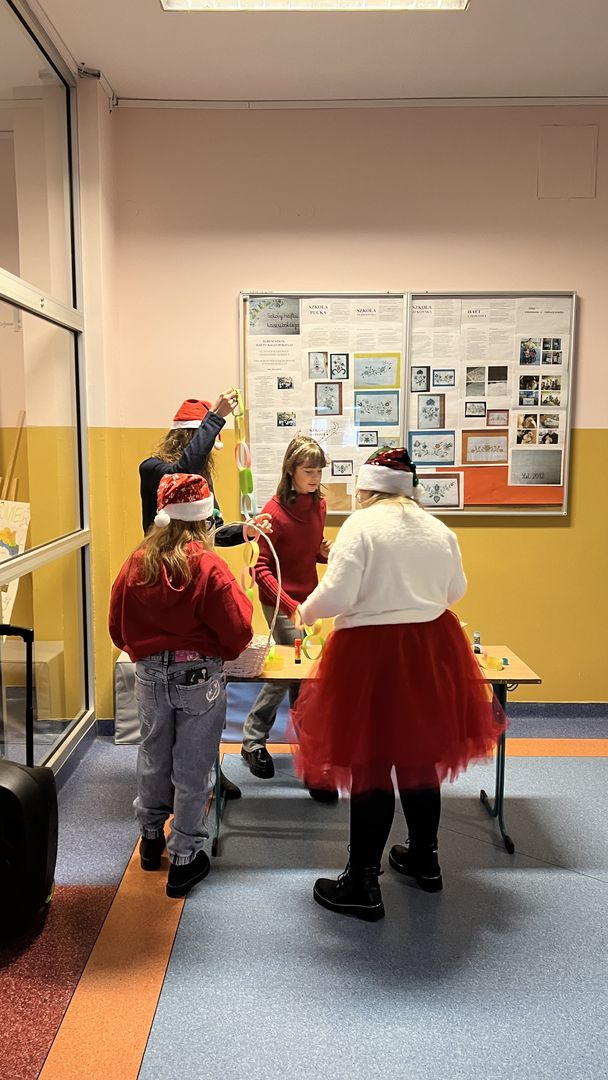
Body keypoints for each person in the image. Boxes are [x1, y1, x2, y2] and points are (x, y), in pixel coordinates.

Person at [291, 448, 506, 921]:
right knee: (418, 756)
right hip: (429, 650)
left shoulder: (361, 527)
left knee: (370, 762)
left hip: (370, 654)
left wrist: (303, 611)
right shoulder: (437, 529)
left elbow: (339, 593)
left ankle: (362, 882)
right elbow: (455, 591)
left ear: (366, 488)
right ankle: (425, 860)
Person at [109, 473, 253, 899]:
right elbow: (238, 631)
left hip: (149, 678)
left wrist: (145, 653)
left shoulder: (138, 561)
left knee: (153, 755)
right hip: (199, 681)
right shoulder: (208, 565)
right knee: (193, 768)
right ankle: (185, 860)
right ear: (204, 518)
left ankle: (151, 839)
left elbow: (117, 626)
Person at [140, 391, 271, 800]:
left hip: (196, 591)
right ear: (190, 439)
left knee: (204, 705)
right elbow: (178, 474)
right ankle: (170, 791)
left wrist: (245, 531)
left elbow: (211, 530)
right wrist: (216, 417)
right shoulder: (155, 469)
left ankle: (206, 774)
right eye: (206, 441)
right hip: (167, 592)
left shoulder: (201, 481)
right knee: (163, 726)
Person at [240, 435, 336, 802]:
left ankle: (298, 752)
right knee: (295, 673)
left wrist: (324, 553)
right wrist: (288, 603)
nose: (315, 478)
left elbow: (308, 552)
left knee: (301, 675)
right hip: (280, 602)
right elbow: (261, 567)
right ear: (291, 470)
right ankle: (262, 743)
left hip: (307, 601)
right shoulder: (274, 512)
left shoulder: (319, 505)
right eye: (309, 471)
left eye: (319, 471)